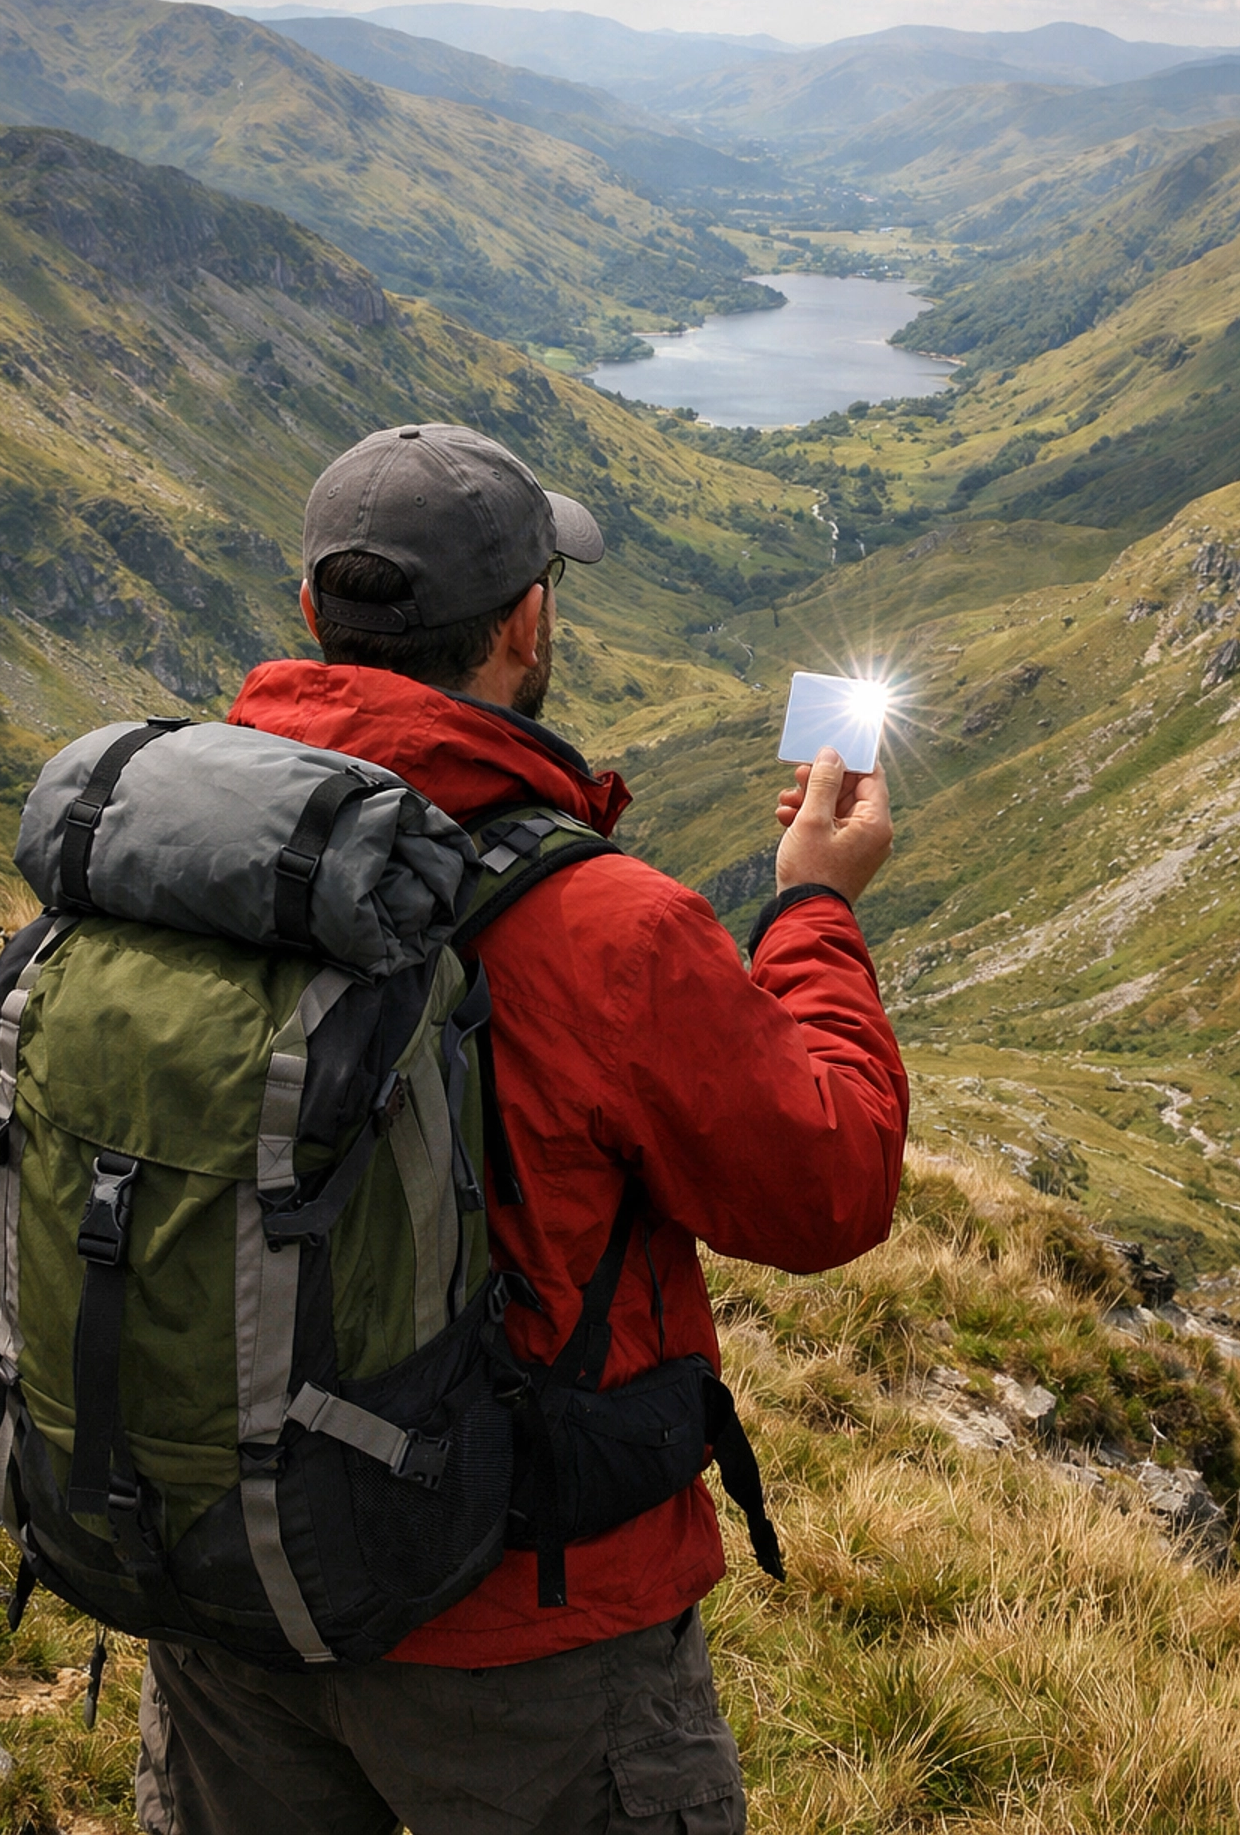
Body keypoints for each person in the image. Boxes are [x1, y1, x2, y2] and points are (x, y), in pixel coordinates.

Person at [135, 421, 906, 1835]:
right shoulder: (607, 929)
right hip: (527, 1632)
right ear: (529, 624)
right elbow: (833, 1182)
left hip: (224, 1578)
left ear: (312, 616)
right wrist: (813, 908)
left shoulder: (173, 865)